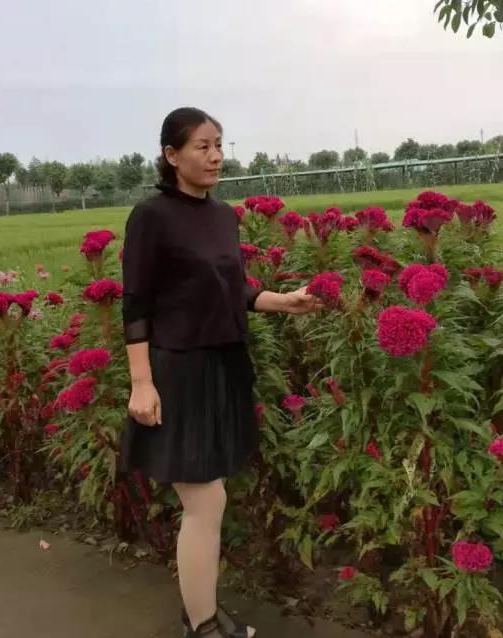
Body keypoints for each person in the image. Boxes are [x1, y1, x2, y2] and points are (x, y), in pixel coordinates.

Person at [120, 107, 322, 638]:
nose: (215, 156)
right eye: (202, 146)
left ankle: (200, 611)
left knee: (212, 499)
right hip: (177, 370)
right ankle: (202, 625)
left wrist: (283, 301)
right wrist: (141, 382)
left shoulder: (222, 216)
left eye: (219, 145)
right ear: (171, 155)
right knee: (205, 500)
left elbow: (233, 289)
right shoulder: (151, 216)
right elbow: (136, 304)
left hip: (222, 364)